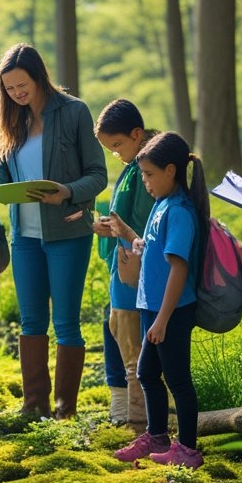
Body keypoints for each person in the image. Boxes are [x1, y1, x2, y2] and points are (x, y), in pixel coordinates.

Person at [0, 44, 106, 418]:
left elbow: (98, 174)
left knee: (66, 323)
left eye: (22, 85)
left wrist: (68, 192)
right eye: (9, 89)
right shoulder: (11, 121)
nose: (17, 94)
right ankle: (33, 404)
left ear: (39, 77)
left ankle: (64, 410)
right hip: (25, 237)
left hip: (68, 233)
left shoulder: (73, 112)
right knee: (31, 320)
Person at [112, 131, 208, 469]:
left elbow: (178, 269)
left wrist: (163, 320)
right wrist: (134, 241)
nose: (146, 182)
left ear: (171, 170)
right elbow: (157, 250)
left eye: (150, 175)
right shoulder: (161, 204)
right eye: (142, 175)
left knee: (178, 379)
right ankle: (156, 437)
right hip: (152, 308)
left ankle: (188, 450)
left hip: (172, 312)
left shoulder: (179, 210)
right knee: (148, 373)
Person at [91, 99, 156, 428]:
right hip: (126, 267)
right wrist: (107, 227)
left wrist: (118, 228)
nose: (115, 153)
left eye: (117, 145)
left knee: (135, 347)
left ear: (137, 133)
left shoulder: (149, 169)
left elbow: (145, 222)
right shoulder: (134, 168)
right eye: (109, 149)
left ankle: (140, 422)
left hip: (139, 269)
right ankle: (133, 416)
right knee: (119, 332)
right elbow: (125, 218)